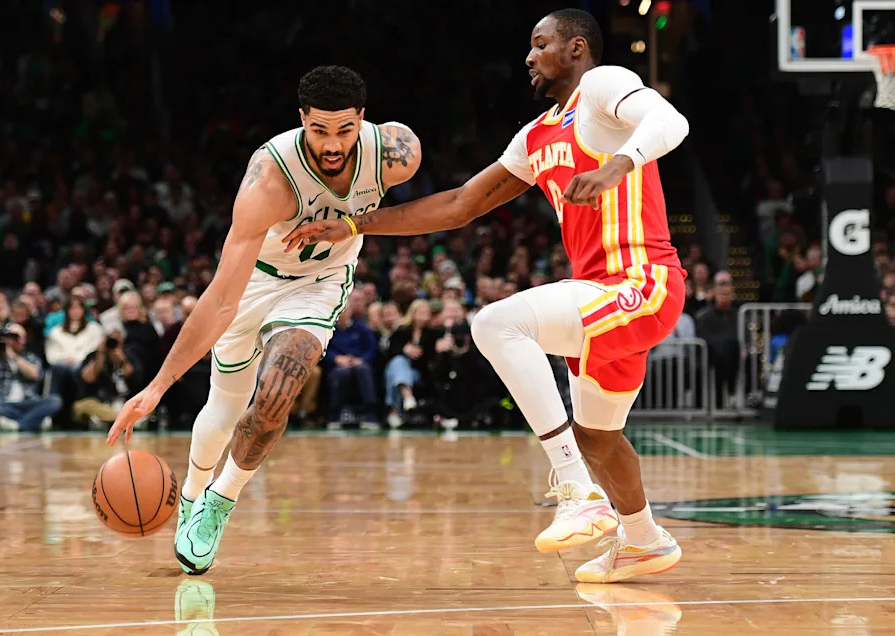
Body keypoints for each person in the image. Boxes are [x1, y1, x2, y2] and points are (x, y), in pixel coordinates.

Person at [284, 10, 688, 583]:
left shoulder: (604, 87)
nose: (529, 56)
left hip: (641, 283)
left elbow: (670, 120)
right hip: (599, 298)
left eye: (540, 44)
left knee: (497, 323)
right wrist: (354, 223)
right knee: (599, 436)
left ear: (576, 48)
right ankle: (645, 540)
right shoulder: (537, 135)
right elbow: (457, 206)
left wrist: (617, 167)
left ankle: (575, 490)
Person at [106, 65, 421, 575]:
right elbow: (221, 299)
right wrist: (158, 387)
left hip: (319, 282)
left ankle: (220, 503)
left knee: (279, 386)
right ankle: (192, 491)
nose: (333, 144)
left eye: (345, 130)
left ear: (363, 120)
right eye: (319, 130)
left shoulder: (395, 153)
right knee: (223, 410)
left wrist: (350, 226)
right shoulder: (270, 179)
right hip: (256, 280)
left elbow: (424, 215)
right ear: (302, 121)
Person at [0, 323, 62, 432]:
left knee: (55, 401)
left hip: (28, 402)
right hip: (3, 402)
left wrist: (13, 356)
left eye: (18, 337)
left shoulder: (29, 357)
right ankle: (32, 421)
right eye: (12, 336)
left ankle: (16, 425)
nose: (17, 340)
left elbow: (36, 375)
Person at [323, 300, 379, 430]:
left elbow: (372, 350)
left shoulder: (362, 329)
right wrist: (336, 358)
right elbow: (324, 350)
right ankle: (334, 414)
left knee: (363, 370)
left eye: (345, 311)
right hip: (338, 365)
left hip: (359, 362)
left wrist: (361, 359)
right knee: (341, 372)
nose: (343, 314)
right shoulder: (329, 330)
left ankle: (371, 414)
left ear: (350, 312)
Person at [383, 298, 436, 428]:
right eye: (420, 313)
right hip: (393, 368)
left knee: (396, 375)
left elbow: (430, 360)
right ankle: (407, 396)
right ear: (413, 313)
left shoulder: (431, 334)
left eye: (426, 313)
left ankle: (393, 412)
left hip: (416, 372)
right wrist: (404, 350)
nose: (423, 316)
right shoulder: (401, 330)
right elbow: (388, 353)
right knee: (398, 363)